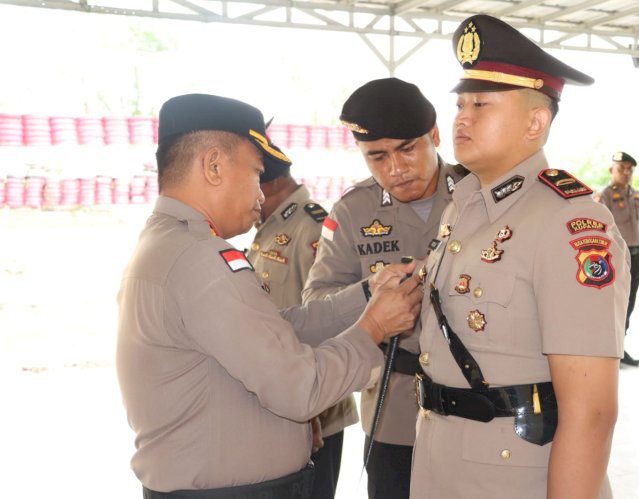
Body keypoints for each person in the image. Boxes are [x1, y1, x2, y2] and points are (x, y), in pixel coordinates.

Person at [116, 93, 423, 499]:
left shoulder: (171, 244)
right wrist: (374, 326)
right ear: (213, 166)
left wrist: (367, 293)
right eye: (255, 172)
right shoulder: (201, 260)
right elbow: (301, 388)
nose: (261, 193)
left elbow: (275, 329)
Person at [409, 15, 631, 499]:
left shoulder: (568, 224)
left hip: (512, 477)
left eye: (482, 104)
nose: (462, 117)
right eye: (461, 103)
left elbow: (592, 413)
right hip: (438, 463)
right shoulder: (463, 206)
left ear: (536, 121)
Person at [301, 77, 467, 499]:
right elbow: (316, 305)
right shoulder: (354, 211)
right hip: (393, 409)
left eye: (407, 148)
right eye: (377, 157)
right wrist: (371, 293)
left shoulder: (477, 194)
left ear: (433, 135)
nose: (395, 168)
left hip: (476, 407)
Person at [246, 144, 356, 499]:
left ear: (269, 183)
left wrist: (312, 413)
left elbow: (330, 321)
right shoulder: (271, 224)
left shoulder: (312, 228)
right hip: (281, 407)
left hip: (314, 416)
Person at [595, 151, 639, 367]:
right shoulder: (604, 196)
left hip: (635, 258)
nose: (626, 173)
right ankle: (608, 350)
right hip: (615, 260)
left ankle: (620, 347)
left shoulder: (637, 196)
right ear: (612, 171)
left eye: (630, 169)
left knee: (629, 304)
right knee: (613, 305)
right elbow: (600, 231)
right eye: (621, 169)